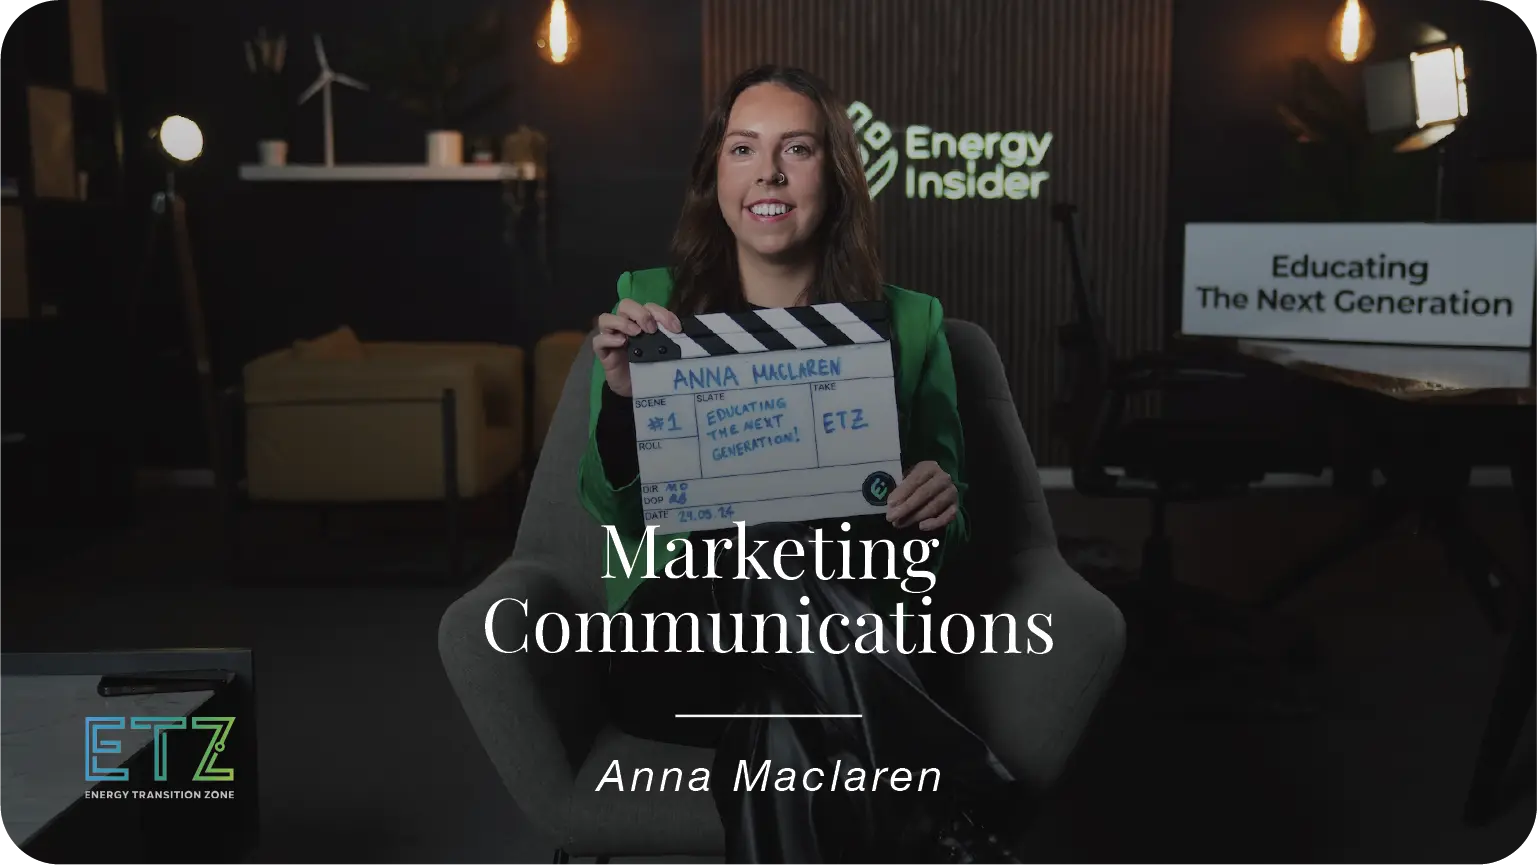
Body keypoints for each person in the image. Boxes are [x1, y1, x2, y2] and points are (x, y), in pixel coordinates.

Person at [578, 64, 1028, 865]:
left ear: (836, 175)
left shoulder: (913, 324)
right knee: (760, 549)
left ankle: (937, 788)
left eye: (798, 149)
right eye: (743, 148)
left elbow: (943, 536)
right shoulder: (647, 305)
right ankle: (951, 777)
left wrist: (940, 497)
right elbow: (616, 515)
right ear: (713, 174)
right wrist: (621, 398)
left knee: (783, 724)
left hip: (836, 643)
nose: (769, 172)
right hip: (681, 643)